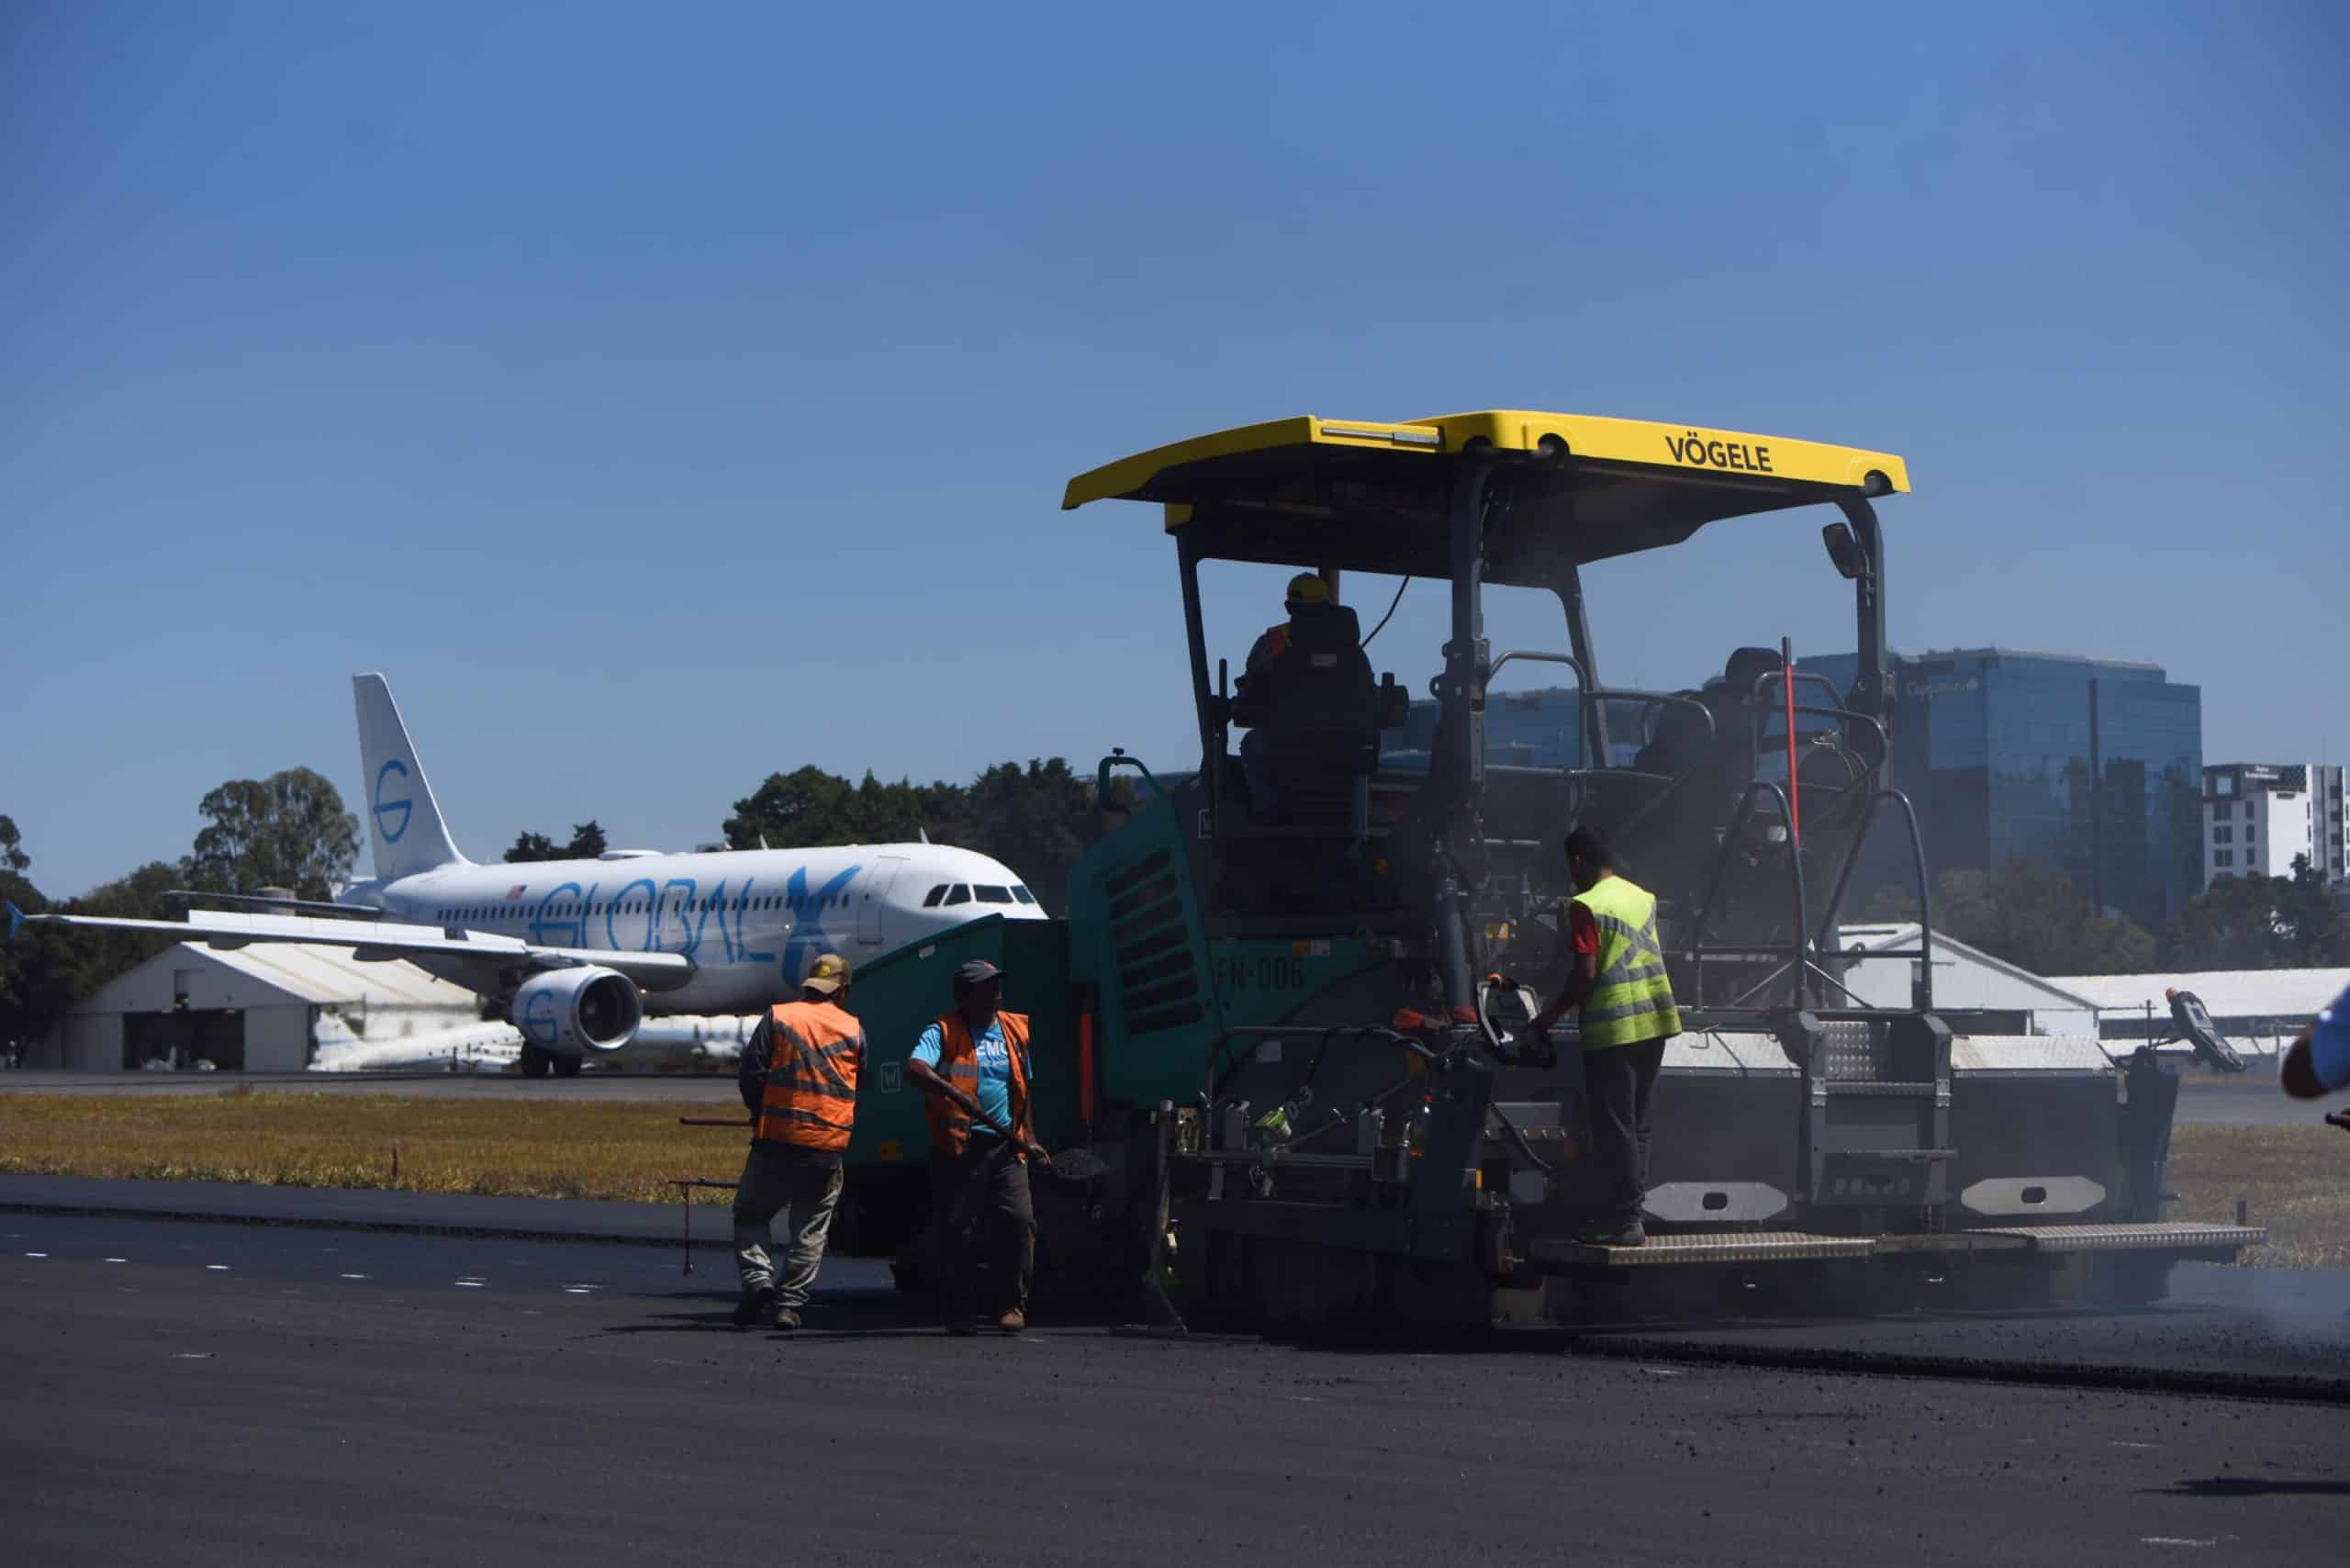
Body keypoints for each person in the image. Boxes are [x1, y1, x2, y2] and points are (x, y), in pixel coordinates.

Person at [1528, 824, 1682, 1247]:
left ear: (1578, 861)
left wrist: (1547, 1017)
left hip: (1614, 1028)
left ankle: (1626, 1220)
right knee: (1638, 1126)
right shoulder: (1642, 897)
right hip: (1654, 1020)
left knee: (1616, 1127)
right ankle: (1628, 1214)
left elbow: (1585, 974)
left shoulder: (1584, 904)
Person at [907, 958, 1051, 1334]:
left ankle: (1013, 1306)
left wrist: (1029, 1139)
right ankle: (959, 1312)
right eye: (986, 990)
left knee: (1019, 1222)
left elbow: (1023, 1089)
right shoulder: (942, 1031)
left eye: (997, 989)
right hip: (959, 1149)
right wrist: (953, 1091)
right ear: (964, 997)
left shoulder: (1012, 1029)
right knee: (958, 1231)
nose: (995, 996)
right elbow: (916, 1069)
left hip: (1006, 1148)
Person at [731, 952, 866, 1329]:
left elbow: (751, 1074)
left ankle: (758, 1281)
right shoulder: (854, 1028)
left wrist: (762, 1115)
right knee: (810, 1227)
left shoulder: (779, 1016)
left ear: (809, 986)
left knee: (751, 1213)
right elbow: (860, 1083)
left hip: (777, 1140)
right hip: (827, 1146)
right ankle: (789, 1304)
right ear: (843, 991)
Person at [1232, 571, 1334, 812]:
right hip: (1340, 745)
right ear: (1327, 606)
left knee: (1250, 744)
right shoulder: (1344, 644)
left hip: (1288, 741)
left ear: (1289, 607)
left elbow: (1250, 686)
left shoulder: (1274, 642)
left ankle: (1269, 810)